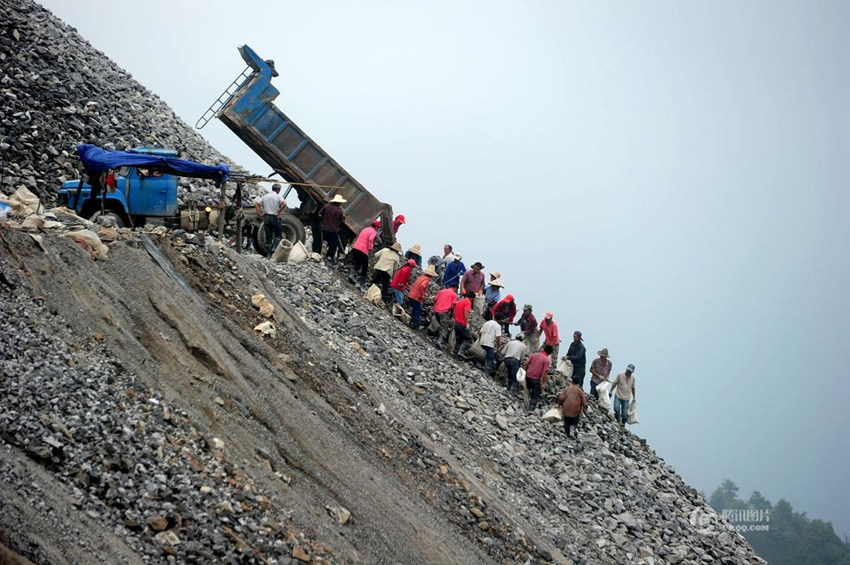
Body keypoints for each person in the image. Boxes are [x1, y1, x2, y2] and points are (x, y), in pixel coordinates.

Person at [254, 183, 287, 257]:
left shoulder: (265, 196)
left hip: (266, 217)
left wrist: (260, 213)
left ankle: (268, 255)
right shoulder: (278, 196)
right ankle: (274, 248)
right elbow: (284, 204)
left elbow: (256, 204)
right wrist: (279, 211)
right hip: (274, 217)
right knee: (278, 234)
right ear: (278, 190)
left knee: (268, 236)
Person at [349, 220, 380, 288]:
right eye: (378, 227)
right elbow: (370, 239)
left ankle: (351, 275)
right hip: (363, 250)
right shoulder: (373, 231)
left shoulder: (366, 229)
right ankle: (362, 283)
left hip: (355, 247)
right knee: (365, 267)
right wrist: (370, 247)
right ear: (376, 227)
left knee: (358, 263)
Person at [317, 194, 346, 262]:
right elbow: (341, 220)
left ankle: (324, 245)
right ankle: (329, 256)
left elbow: (320, 214)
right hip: (334, 230)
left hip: (325, 228)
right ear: (339, 202)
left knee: (324, 240)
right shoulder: (339, 210)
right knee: (333, 245)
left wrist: (323, 220)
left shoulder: (326, 206)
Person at [558, 375, 587, 439]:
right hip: (575, 411)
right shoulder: (580, 391)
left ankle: (567, 434)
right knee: (574, 422)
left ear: (572, 381)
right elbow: (584, 402)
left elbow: (561, 398)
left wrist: (559, 404)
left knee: (567, 422)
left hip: (566, 410)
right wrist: (584, 409)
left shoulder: (567, 389)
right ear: (578, 382)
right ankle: (572, 429)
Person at [407, 264, 436, 330]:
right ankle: (415, 325)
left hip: (411, 294)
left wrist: (425, 294)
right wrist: (422, 295)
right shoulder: (427, 279)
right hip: (416, 297)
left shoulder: (421, 276)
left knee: (415, 310)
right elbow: (422, 286)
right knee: (417, 311)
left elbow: (418, 286)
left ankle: (411, 322)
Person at [524, 345, 552, 411]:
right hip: (535, 379)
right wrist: (543, 383)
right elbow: (544, 373)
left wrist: (525, 371)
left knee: (527, 390)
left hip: (527, 377)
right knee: (535, 394)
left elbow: (527, 363)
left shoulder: (534, 355)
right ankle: (530, 409)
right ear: (550, 353)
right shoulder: (546, 360)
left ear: (544, 349)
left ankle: (525, 404)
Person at [432, 283, 458, 348]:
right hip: (444, 311)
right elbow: (453, 306)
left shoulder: (442, 291)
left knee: (440, 324)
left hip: (436, 310)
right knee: (444, 327)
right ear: (455, 288)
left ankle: (437, 337)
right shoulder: (454, 294)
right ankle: (439, 341)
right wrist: (452, 314)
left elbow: (435, 299)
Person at [452, 291, 475, 358]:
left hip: (456, 323)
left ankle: (455, 353)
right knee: (468, 339)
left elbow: (454, 311)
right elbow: (466, 312)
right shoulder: (468, 302)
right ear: (472, 298)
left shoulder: (460, 301)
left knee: (459, 340)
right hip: (462, 324)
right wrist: (467, 323)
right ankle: (460, 352)